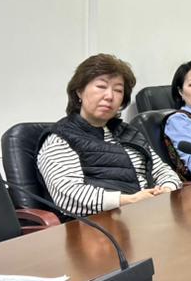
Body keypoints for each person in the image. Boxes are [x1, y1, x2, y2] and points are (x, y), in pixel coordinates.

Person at [37, 53, 181, 216]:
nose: (109, 96)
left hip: (145, 215)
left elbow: (162, 170)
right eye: (101, 86)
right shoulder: (60, 138)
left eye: (118, 90)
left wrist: (167, 189)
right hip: (97, 224)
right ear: (79, 91)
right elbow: (69, 196)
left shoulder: (128, 132)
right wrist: (128, 200)